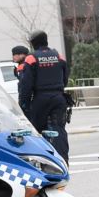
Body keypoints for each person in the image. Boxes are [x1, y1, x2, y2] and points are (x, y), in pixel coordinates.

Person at [17, 31, 70, 162]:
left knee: (37, 131)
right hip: (59, 98)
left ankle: (43, 161)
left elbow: (26, 85)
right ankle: (63, 161)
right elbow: (65, 79)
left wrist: (24, 105)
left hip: (40, 99)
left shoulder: (31, 58)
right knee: (59, 130)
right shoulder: (59, 56)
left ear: (33, 43)